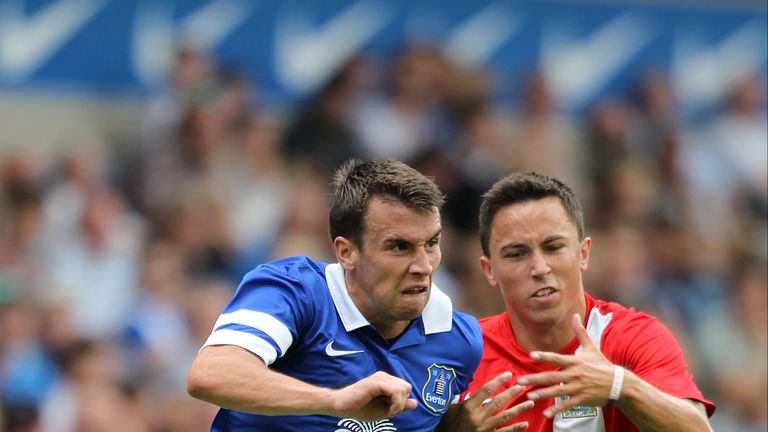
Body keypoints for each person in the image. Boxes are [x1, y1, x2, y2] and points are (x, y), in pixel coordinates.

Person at [187, 159, 495, 431]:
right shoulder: (296, 292)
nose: (423, 266)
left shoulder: (460, 341)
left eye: (431, 243)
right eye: (399, 247)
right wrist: (333, 401)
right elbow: (210, 374)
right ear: (346, 252)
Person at [461, 172, 715, 431]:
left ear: (583, 254)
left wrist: (619, 386)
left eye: (553, 247)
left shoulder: (632, 338)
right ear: (489, 270)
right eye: (517, 254)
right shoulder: (460, 355)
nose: (539, 268)